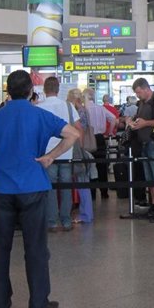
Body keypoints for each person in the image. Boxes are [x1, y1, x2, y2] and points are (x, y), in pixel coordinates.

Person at [0, 70, 79, 308]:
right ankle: (38, 303)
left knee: (0, 249)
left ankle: (1, 305)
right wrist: (50, 157)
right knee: (35, 248)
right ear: (32, 92)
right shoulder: (39, 115)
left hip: (1, 190)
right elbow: (73, 134)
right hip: (33, 186)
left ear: (8, 91)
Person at [37, 77, 81, 232]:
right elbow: (77, 128)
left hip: (47, 154)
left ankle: (52, 221)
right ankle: (66, 220)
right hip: (66, 152)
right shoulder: (68, 106)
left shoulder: (39, 107)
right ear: (58, 89)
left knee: (50, 188)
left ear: (44, 89)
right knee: (66, 187)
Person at [125, 78, 154, 222]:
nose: (137, 95)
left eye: (139, 92)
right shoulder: (143, 103)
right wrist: (132, 122)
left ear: (146, 89)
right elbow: (140, 119)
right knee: (150, 177)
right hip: (144, 144)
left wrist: (146, 123)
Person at [82, 88, 116, 200]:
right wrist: (109, 132)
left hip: (88, 138)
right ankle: (104, 192)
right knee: (102, 166)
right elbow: (113, 118)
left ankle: (92, 194)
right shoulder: (100, 108)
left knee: (90, 166)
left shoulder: (83, 109)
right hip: (100, 138)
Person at [67, 89, 93, 224]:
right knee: (83, 181)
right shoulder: (83, 110)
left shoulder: (78, 112)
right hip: (81, 149)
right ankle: (86, 212)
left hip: (78, 149)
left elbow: (80, 131)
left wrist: (80, 149)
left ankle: (86, 214)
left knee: (82, 182)